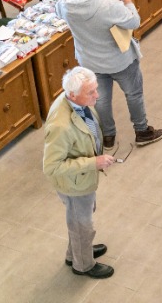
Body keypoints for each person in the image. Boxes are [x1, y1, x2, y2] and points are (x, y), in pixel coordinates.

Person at [56, 0, 162, 150]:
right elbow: (134, 21)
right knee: (133, 94)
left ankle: (108, 136)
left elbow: (58, 8)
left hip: (90, 63)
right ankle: (142, 131)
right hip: (120, 61)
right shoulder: (109, 7)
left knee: (100, 99)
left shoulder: (66, 6)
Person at [43, 67, 116, 279]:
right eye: (91, 93)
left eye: (95, 89)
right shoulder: (61, 125)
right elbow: (51, 167)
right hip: (74, 185)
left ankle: (75, 253)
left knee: (78, 221)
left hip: (82, 181)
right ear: (73, 94)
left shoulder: (75, 100)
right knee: (82, 225)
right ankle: (82, 264)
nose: (97, 95)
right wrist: (93, 162)